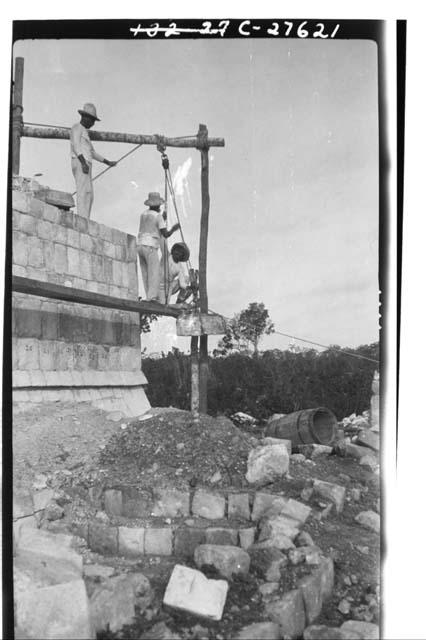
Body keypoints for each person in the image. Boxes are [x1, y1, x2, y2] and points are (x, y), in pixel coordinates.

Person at [70, 103, 117, 218]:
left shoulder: (85, 131)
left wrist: (107, 162)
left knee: (89, 193)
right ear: (85, 117)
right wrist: (82, 162)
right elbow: (75, 145)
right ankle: (82, 217)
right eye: (92, 120)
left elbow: (92, 152)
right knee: (83, 191)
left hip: (87, 163)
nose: (93, 123)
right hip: (81, 162)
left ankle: (86, 217)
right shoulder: (76, 128)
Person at [137, 192, 180, 301]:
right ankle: (152, 298)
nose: (160, 207)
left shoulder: (144, 214)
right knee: (154, 273)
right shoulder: (158, 216)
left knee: (145, 272)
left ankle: (149, 297)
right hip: (150, 246)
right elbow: (165, 234)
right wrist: (174, 229)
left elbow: (152, 226)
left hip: (140, 245)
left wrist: (162, 219)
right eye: (159, 205)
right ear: (157, 205)